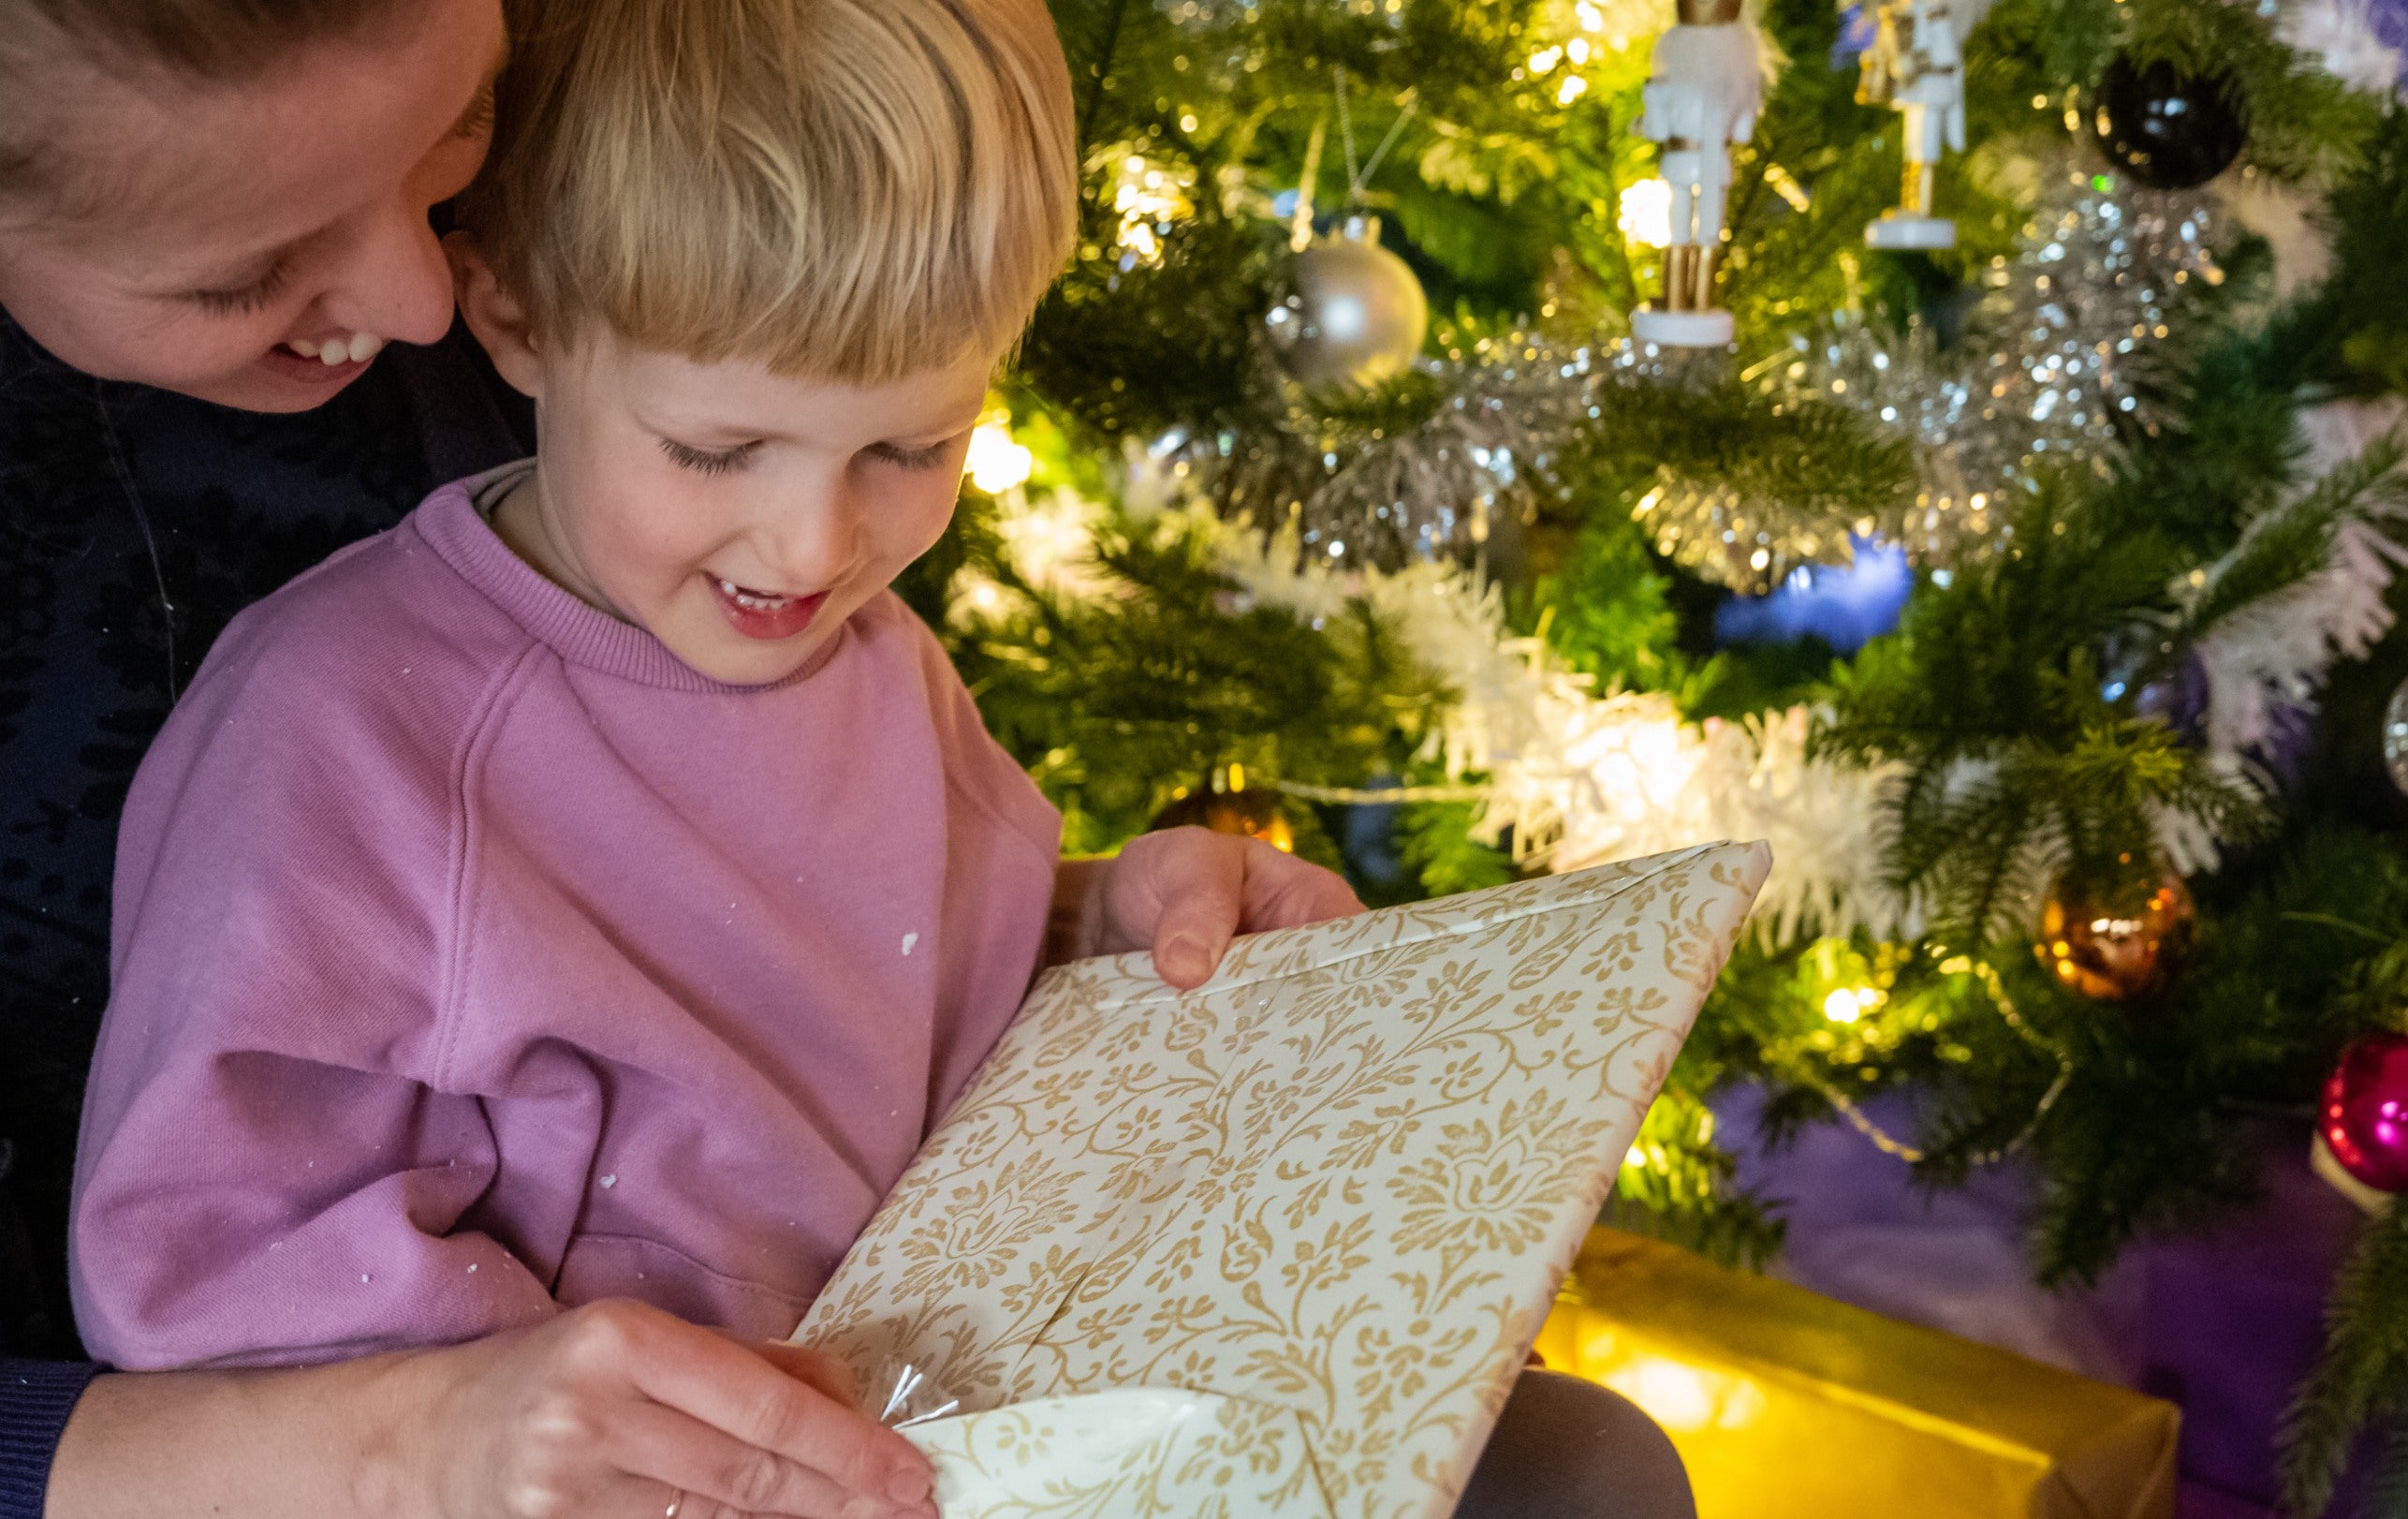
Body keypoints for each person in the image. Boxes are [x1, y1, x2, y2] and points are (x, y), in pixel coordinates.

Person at [0, 1, 1388, 1515]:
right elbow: (203, 1275)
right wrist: (474, 1423)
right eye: (719, 454)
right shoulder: (339, 732)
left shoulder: (874, 663)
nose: (814, 545)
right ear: (515, 316)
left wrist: (1109, 931)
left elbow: (906, 971)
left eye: (912, 452)